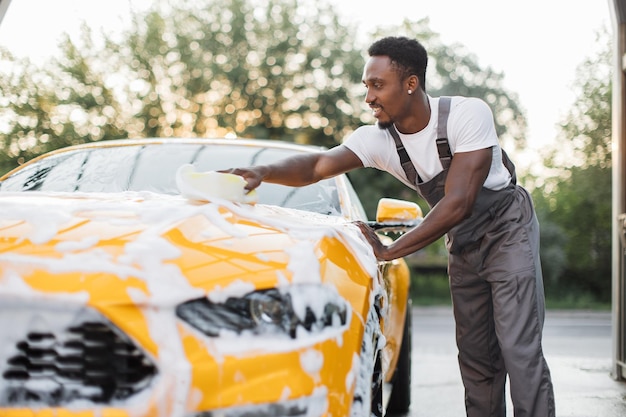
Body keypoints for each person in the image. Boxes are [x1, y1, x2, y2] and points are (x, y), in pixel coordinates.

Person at [225, 36, 555, 417]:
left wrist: (388, 251)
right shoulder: (377, 140)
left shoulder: (468, 115)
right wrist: (262, 172)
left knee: (518, 348)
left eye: (377, 85)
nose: (368, 97)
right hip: (463, 241)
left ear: (410, 84)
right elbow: (316, 167)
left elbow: (459, 200)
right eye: (367, 86)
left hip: (506, 229)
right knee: (477, 357)